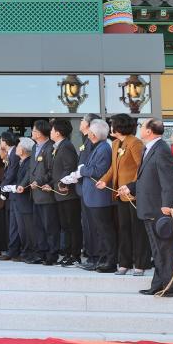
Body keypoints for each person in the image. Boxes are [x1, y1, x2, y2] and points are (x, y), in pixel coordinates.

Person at [123, 119, 173, 297]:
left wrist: (167, 205)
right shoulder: (151, 148)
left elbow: (168, 181)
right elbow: (147, 178)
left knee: (165, 250)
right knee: (158, 250)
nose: (140, 128)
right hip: (150, 206)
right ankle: (158, 284)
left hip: (159, 209)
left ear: (149, 131)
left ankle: (169, 287)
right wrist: (130, 187)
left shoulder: (161, 149)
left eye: (142, 126)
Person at [97, 113, 149, 276]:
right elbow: (113, 168)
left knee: (137, 230)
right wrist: (104, 180)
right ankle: (124, 263)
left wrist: (131, 187)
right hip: (120, 194)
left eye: (112, 124)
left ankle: (140, 264)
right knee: (124, 229)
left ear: (119, 126)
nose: (110, 127)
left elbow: (142, 168)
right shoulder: (115, 144)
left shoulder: (135, 143)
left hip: (134, 195)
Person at [80, 119, 117, 272]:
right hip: (93, 197)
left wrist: (82, 170)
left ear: (93, 134)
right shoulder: (98, 147)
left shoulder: (103, 149)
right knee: (99, 231)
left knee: (105, 231)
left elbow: (98, 171)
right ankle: (102, 259)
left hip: (100, 198)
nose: (88, 134)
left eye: (89, 132)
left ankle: (109, 261)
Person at [21, 119, 58, 265]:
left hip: (46, 193)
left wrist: (40, 182)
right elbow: (30, 170)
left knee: (50, 226)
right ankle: (41, 253)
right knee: (39, 226)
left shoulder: (51, 147)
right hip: (35, 194)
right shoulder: (35, 148)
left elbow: (52, 171)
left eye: (34, 131)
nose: (32, 133)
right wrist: (23, 185)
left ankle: (52, 254)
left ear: (42, 132)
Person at [50, 118, 82, 267]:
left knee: (72, 225)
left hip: (68, 193)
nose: (50, 132)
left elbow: (69, 167)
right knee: (65, 226)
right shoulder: (59, 146)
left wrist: (62, 182)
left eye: (52, 130)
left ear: (57, 132)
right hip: (60, 192)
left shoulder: (66, 146)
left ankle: (75, 255)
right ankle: (68, 254)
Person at [77, 113, 100, 269]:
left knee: (93, 226)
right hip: (84, 188)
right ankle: (91, 255)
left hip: (91, 190)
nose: (80, 122)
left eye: (82, 120)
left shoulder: (93, 142)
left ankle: (95, 257)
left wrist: (80, 172)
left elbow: (90, 166)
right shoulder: (85, 141)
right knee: (87, 225)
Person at [0, 131, 21, 261]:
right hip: (11, 194)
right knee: (13, 224)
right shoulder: (11, 154)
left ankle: (14, 251)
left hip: (15, 193)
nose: (0, 144)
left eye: (0, 141)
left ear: (5, 142)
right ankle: (12, 251)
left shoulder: (14, 154)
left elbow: (11, 175)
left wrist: (2, 189)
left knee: (15, 225)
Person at [12, 138, 35, 263]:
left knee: (28, 229)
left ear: (24, 150)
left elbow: (27, 178)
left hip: (25, 199)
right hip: (19, 199)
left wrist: (18, 186)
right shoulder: (21, 162)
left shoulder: (29, 162)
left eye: (19, 146)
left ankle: (30, 252)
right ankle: (25, 251)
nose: (17, 147)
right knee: (22, 229)